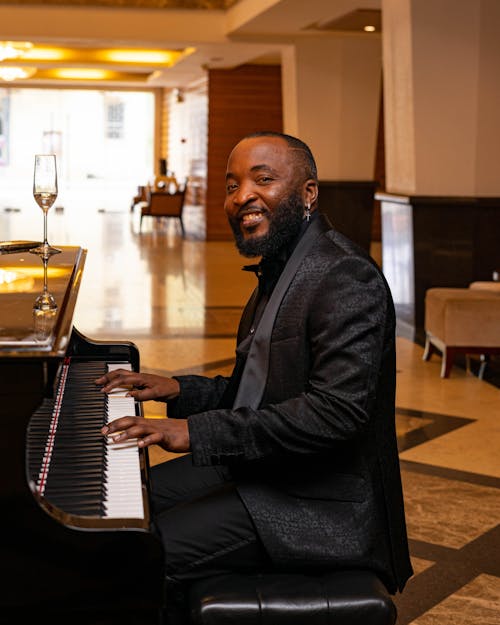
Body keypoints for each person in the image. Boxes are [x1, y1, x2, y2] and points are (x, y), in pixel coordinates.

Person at [96, 131, 413, 622]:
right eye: (232, 184)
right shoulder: (283, 267)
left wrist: (194, 432)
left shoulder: (345, 276)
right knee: (123, 511)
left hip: (316, 502)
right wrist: (181, 390)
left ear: (308, 193)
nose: (242, 195)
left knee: (138, 554)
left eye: (263, 179)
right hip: (265, 467)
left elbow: (334, 414)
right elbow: (259, 394)